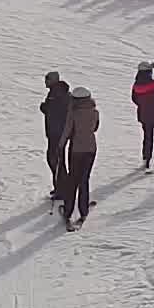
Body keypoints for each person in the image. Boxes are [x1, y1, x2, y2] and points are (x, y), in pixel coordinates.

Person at [60, 86, 99, 228]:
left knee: (73, 180)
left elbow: (67, 131)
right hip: (91, 148)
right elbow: (95, 128)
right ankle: (83, 209)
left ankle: (68, 210)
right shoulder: (94, 112)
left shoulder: (73, 113)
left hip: (76, 149)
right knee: (84, 179)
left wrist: (61, 145)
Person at [42, 71, 72, 198]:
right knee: (55, 160)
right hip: (56, 132)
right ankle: (60, 187)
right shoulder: (56, 92)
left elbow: (54, 111)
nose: (45, 81)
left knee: (55, 160)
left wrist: (44, 107)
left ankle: (62, 189)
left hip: (56, 132)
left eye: (47, 79)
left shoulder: (56, 94)